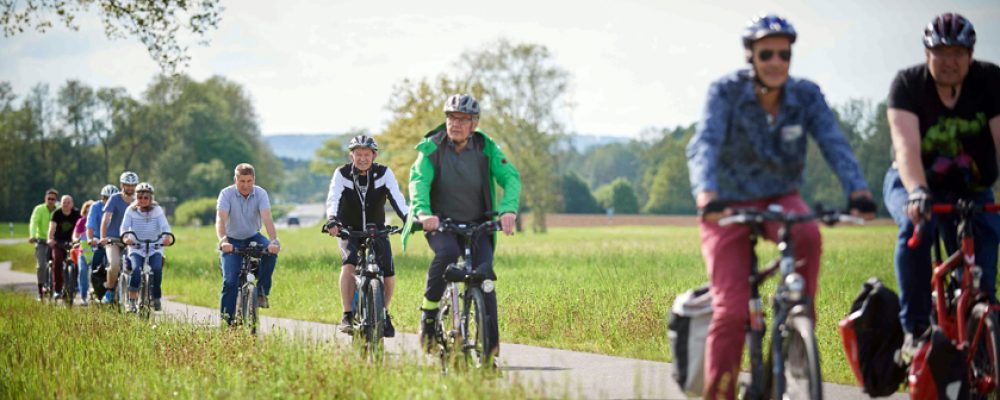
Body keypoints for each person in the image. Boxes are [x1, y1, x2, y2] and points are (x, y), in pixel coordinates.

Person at [685, 14, 877, 398]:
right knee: (732, 309)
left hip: (779, 197)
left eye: (784, 55)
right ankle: (718, 393)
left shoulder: (805, 95)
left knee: (807, 232)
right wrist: (706, 193)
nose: (776, 62)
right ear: (751, 57)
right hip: (726, 203)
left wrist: (857, 190)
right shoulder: (725, 92)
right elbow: (704, 143)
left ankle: (797, 319)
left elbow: (833, 142)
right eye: (766, 54)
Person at [883, 13, 1000, 357]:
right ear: (926, 54)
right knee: (917, 226)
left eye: (958, 53)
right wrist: (918, 193)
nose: (949, 61)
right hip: (914, 181)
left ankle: (982, 331)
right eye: (941, 53)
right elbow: (906, 150)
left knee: (985, 251)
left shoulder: (991, 81)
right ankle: (915, 329)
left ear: (971, 55)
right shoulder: (908, 84)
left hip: (971, 188)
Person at [400, 93, 521, 361]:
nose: (455, 123)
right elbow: (419, 180)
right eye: (451, 117)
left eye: (462, 119)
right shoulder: (432, 147)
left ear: (474, 124)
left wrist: (508, 210)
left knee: (484, 276)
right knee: (446, 254)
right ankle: (429, 316)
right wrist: (423, 211)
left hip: (479, 224)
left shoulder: (485, 147)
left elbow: (510, 177)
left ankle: (490, 350)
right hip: (441, 222)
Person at [324, 135, 409, 337]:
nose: (362, 158)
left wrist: (408, 219)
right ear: (351, 155)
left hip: (376, 229)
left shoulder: (384, 173)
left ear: (374, 155)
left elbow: (397, 198)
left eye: (367, 154)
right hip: (349, 229)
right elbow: (333, 197)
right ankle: (346, 314)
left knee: (388, 271)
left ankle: (384, 313)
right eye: (358, 154)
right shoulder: (342, 174)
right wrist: (332, 220)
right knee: (349, 264)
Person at [217, 163, 280, 325]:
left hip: (253, 236)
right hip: (231, 240)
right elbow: (221, 219)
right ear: (235, 179)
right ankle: (227, 321)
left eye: (249, 181)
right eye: (242, 181)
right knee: (230, 281)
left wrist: (273, 240)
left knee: (271, 252)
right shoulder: (226, 194)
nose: (245, 185)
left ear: (254, 180)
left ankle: (261, 293)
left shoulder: (260, 194)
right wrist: (223, 240)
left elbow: (267, 218)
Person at [120, 183, 173, 312]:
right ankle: (132, 301)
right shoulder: (130, 210)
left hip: (155, 246)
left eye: (146, 197)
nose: (142, 200)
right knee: (136, 270)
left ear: (151, 198)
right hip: (136, 247)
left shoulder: (157, 210)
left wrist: (167, 237)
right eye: (140, 197)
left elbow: (165, 227)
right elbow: (124, 227)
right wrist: (126, 237)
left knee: (157, 269)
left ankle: (156, 298)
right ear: (136, 197)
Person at [100, 171, 139, 303]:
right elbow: (105, 220)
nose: (130, 188)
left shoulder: (139, 200)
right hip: (114, 238)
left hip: (131, 239)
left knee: (136, 265)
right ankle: (110, 291)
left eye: (133, 185)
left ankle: (137, 295)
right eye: (127, 185)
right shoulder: (115, 198)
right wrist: (103, 237)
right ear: (122, 185)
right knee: (115, 265)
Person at [86, 185, 117, 300]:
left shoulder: (119, 206)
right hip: (99, 239)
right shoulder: (95, 207)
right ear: (102, 197)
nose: (108, 201)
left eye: (111, 199)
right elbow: (90, 224)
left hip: (116, 240)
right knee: (97, 261)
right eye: (105, 198)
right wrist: (90, 238)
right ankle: (94, 287)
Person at [48, 195, 81, 300]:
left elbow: (80, 228)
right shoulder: (57, 213)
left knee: (78, 261)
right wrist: (49, 238)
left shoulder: (77, 214)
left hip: (73, 242)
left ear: (72, 204)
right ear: (60, 203)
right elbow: (52, 227)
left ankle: (75, 285)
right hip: (58, 242)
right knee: (57, 260)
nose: (66, 204)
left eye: (68, 202)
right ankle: (57, 290)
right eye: (64, 202)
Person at [28, 188, 58, 300]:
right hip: (41, 241)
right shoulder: (39, 209)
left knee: (59, 263)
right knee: (41, 266)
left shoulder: (59, 209)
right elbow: (33, 222)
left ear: (56, 200)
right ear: (45, 198)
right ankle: (41, 291)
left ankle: (60, 288)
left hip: (55, 241)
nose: (50, 201)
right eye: (48, 198)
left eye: (53, 199)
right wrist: (32, 235)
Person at [72, 200, 95, 306]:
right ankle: (83, 297)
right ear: (84, 211)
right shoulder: (81, 221)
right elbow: (75, 235)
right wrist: (76, 239)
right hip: (83, 252)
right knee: (82, 273)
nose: (89, 213)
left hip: (95, 251)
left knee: (93, 273)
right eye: (87, 210)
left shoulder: (97, 221)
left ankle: (94, 293)